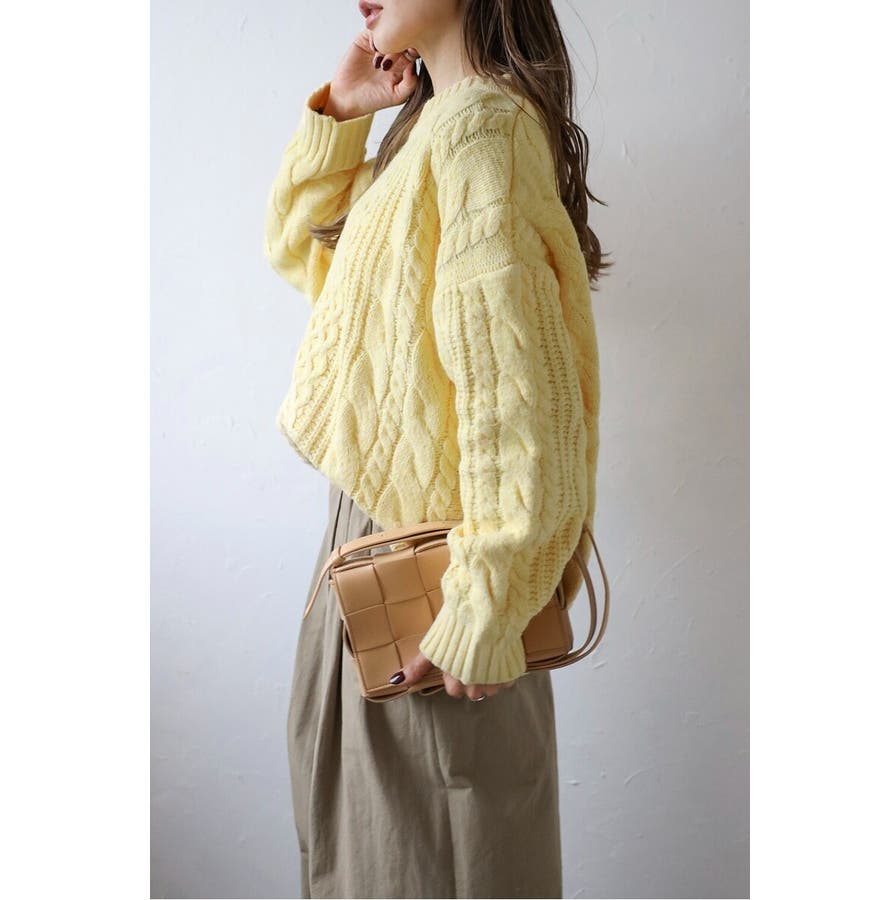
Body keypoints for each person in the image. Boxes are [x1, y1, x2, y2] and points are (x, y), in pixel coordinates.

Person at [264, 1, 610, 896]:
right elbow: (312, 263)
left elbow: (517, 397)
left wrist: (483, 604)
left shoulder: (481, 131)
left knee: (420, 869)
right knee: (363, 863)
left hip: (433, 589)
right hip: (374, 563)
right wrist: (344, 116)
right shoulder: (437, 130)